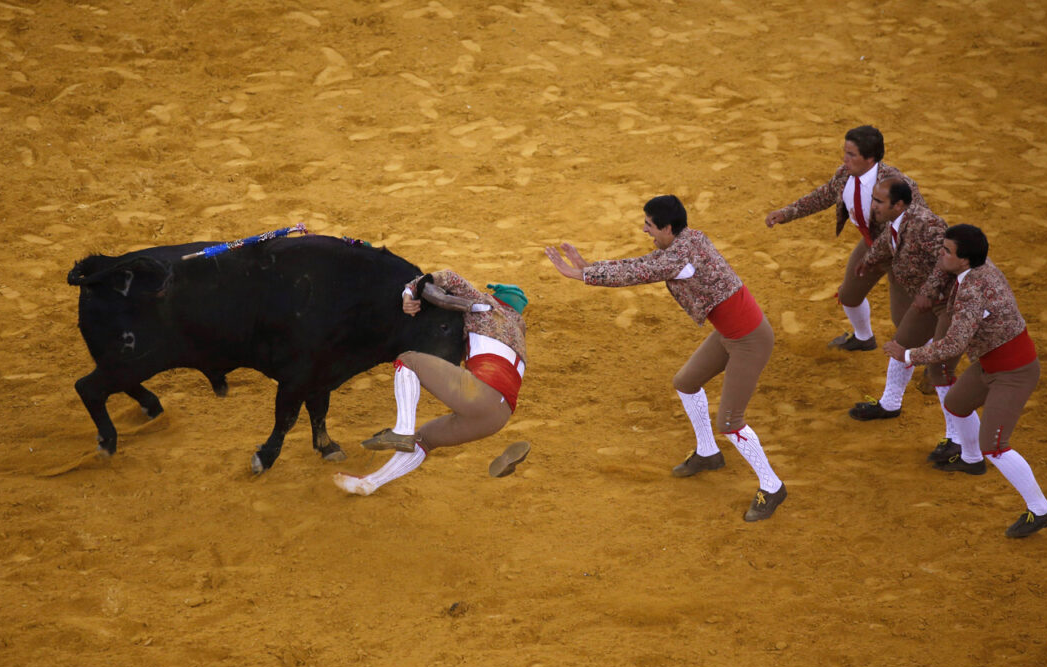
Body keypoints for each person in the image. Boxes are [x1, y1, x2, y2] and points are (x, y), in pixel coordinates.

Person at [546, 194, 786, 522]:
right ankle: (708, 453)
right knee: (685, 383)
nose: (645, 231)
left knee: (730, 421)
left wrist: (582, 275)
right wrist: (589, 266)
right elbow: (641, 264)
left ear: (668, 228)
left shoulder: (680, 256)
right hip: (731, 334)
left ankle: (772, 486)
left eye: (649, 225)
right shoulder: (689, 239)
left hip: (749, 340)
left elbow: (640, 271)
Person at [883, 224, 1047, 538]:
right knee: (956, 403)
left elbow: (952, 345)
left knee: (997, 446)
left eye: (947, 251)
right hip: (991, 361)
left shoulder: (971, 293)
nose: (941, 254)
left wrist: (907, 354)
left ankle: (1041, 509)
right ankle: (971, 459)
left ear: (964, 260)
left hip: (1014, 372)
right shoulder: (979, 266)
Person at [333, 272, 530, 496]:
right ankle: (370, 483)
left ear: (496, 298)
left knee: (408, 360)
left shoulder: (485, 304)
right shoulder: (519, 333)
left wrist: (409, 292)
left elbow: (447, 277)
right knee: (425, 440)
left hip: (480, 393)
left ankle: (403, 431)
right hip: (498, 417)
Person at [765, 125, 929, 351]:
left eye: (851, 155)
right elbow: (823, 196)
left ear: (870, 158)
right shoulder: (845, 174)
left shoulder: (899, 186)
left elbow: (922, 225)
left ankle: (937, 364)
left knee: (904, 321)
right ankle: (864, 338)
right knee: (849, 295)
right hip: (871, 243)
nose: (844, 159)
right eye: (845, 152)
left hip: (902, 256)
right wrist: (787, 213)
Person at [847, 178, 966, 462]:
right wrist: (871, 258)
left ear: (898, 204)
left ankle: (957, 439)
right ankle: (890, 403)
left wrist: (928, 291)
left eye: (878, 202)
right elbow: (890, 242)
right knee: (903, 342)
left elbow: (948, 260)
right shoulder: (897, 220)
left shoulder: (928, 224)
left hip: (952, 302)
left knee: (940, 371)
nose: (873, 206)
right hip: (928, 300)